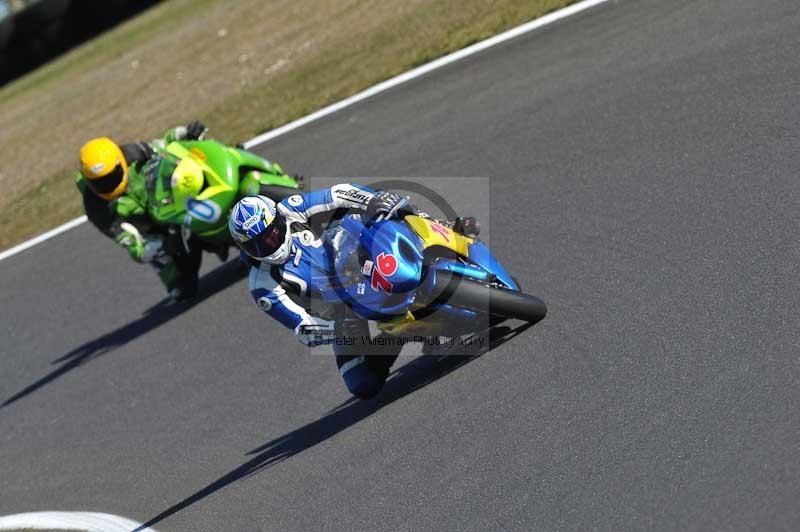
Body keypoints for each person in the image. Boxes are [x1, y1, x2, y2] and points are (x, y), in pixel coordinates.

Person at [229, 184, 480, 399]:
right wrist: (329, 331)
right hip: (344, 309)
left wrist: (372, 199)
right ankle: (404, 333)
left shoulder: (291, 208)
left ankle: (448, 229)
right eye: (259, 243)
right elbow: (302, 326)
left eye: (271, 233)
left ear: (278, 219)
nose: (270, 242)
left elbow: (338, 193)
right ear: (246, 247)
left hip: (352, 251)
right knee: (362, 384)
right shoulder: (262, 284)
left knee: (393, 210)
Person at [76, 121, 209, 300]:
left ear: (119, 162)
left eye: (110, 177)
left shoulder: (133, 152)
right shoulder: (96, 208)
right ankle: (173, 276)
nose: (107, 185)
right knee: (183, 289)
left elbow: (165, 146)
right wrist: (160, 246)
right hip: (154, 231)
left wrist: (184, 132)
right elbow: (131, 243)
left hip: (171, 200)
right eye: (98, 182)